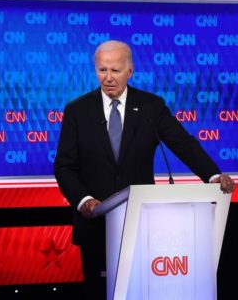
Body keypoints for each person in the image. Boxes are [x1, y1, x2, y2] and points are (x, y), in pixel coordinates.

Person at [54, 40, 236, 300]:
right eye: (102, 70)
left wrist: (213, 175)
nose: (108, 78)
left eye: (115, 71)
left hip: (141, 223)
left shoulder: (150, 106)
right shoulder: (77, 110)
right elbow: (64, 166)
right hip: (95, 226)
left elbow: (182, 143)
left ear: (130, 71)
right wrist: (83, 200)